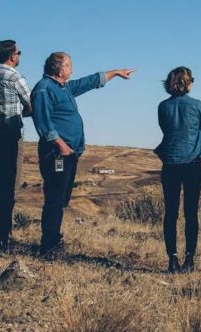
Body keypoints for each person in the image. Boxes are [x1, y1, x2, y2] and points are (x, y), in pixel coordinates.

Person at [30, 52, 133, 257]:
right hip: (57, 154)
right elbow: (42, 122)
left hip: (69, 153)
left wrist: (114, 73)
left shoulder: (64, 87)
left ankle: (53, 239)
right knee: (55, 198)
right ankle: (49, 246)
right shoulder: (44, 90)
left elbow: (89, 82)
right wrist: (61, 145)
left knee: (62, 198)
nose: (72, 70)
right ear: (60, 69)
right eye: (69, 66)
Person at [154, 66, 201, 273]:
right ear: (187, 82)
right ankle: (190, 259)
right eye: (191, 79)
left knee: (170, 212)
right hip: (192, 164)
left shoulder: (162, 107)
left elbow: (165, 129)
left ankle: (172, 260)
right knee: (191, 212)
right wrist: (197, 151)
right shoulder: (197, 105)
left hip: (170, 164)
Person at [0, 40, 32, 251]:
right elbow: (31, 105)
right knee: (11, 184)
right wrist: (22, 113)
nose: (19, 56)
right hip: (10, 135)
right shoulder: (16, 78)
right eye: (19, 52)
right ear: (12, 56)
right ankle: (4, 235)